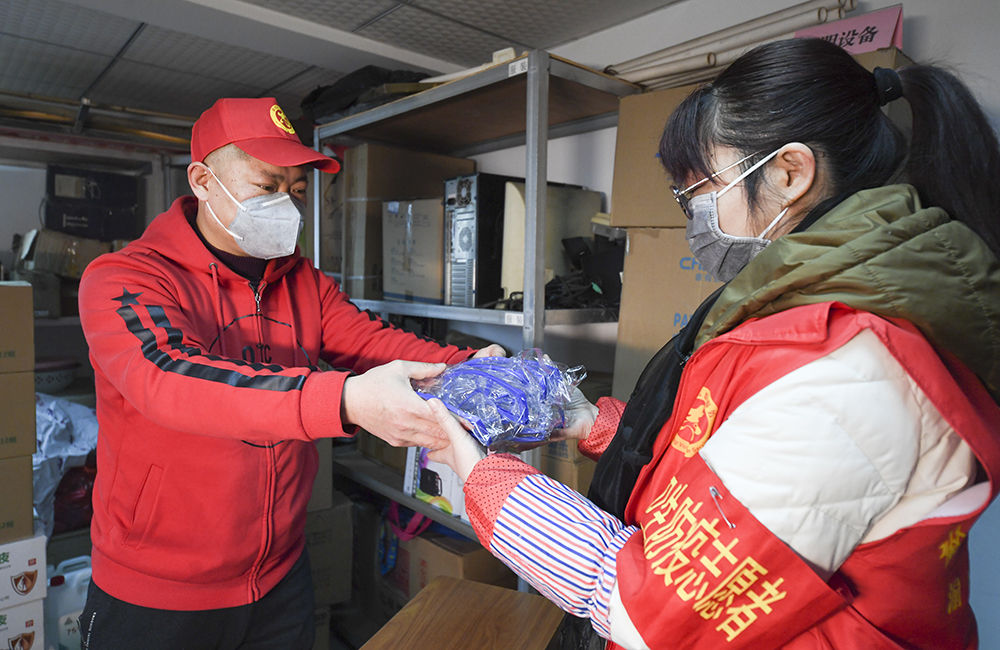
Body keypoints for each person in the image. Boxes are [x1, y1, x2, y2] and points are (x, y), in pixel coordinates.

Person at [427, 38, 1000, 649]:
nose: (693, 213)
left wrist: (485, 478)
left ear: (788, 173)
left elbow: (646, 608)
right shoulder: (802, 302)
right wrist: (587, 421)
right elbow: (719, 455)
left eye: (701, 189)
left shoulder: (856, 372)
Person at [76, 96, 503, 649]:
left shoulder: (303, 281)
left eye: (296, 191)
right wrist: (344, 401)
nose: (286, 204)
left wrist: (473, 367)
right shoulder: (125, 276)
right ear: (203, 180)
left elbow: (370, 343)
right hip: (158, 592)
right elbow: (167, 377)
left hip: (279, 578)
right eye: (266, 186)